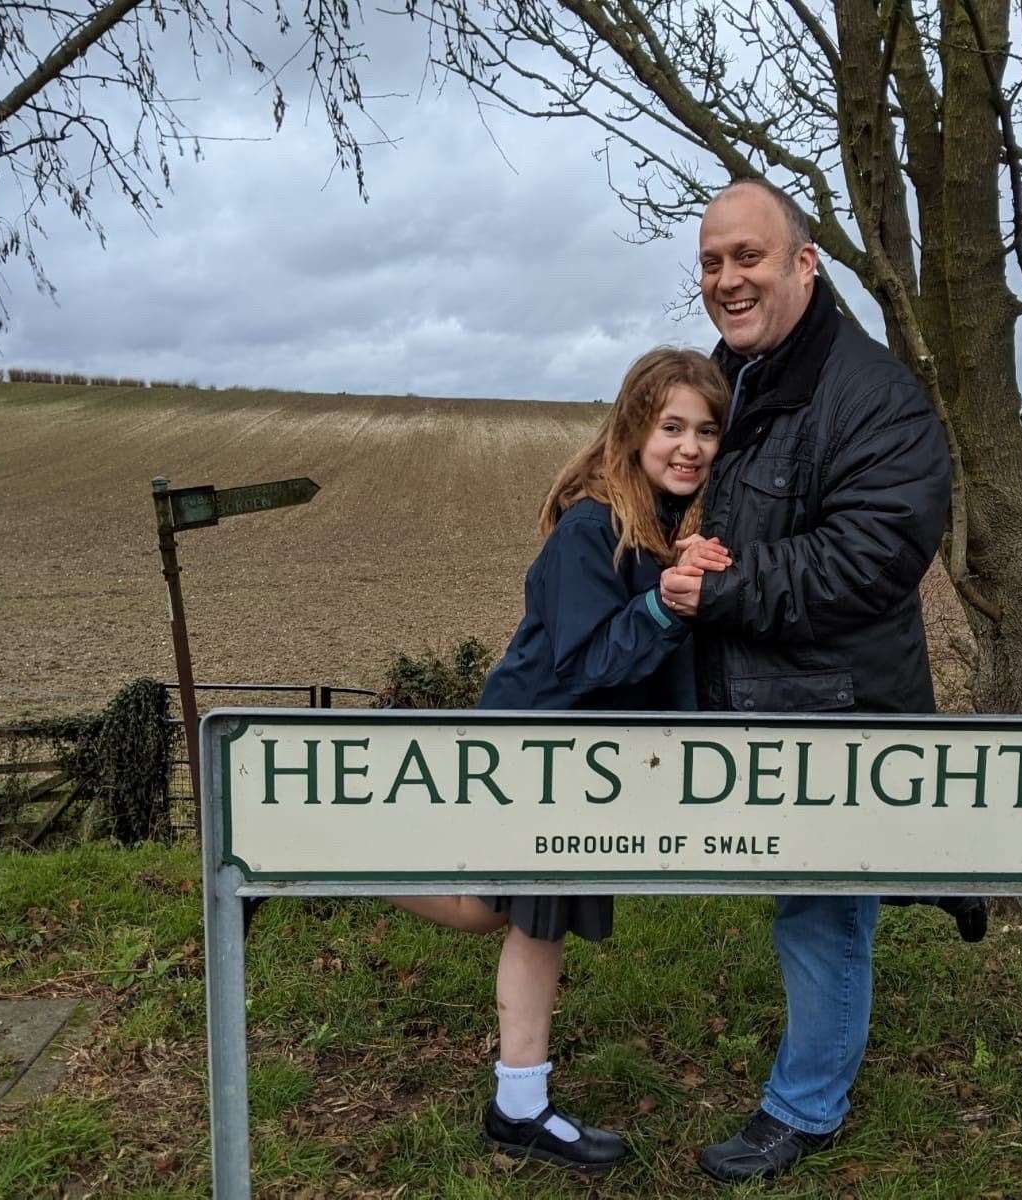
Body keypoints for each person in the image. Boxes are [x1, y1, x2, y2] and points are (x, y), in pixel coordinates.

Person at [658, 178, 953, 1183]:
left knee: (822, 909)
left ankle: (804, 1108)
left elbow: (868, 559)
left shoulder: (869, 395)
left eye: (747, 256)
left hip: (834, 714)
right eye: (710, 262)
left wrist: (716, 589)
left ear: (803, 263)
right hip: (762, 705)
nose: (726, 278)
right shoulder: (745, 379)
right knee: (806, 901)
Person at [393, 347, 731, 1172]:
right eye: (672, 426)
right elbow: (588, 661)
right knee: (511, 912)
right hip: (541, 748)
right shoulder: (594, 526)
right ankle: (334, 867)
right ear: (634, 427)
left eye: (708, 431)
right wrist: (665, 602)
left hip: (580, 759)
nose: (690, 446)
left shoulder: (650, 523)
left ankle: (518, 1106)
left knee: (520, 915)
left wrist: (674, 575)